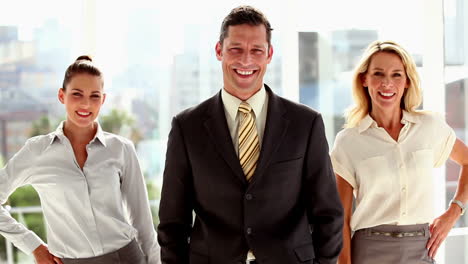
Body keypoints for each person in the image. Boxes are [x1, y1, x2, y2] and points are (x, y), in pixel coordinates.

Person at [157, 5, 343, 264]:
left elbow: (328, 213)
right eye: (236, 49)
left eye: (256, 50)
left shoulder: (306, 123)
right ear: (219, 50)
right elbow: (172, 222)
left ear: (269, 54)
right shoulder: (186, 127)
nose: (246, 60)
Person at [0, 56, 160, 264]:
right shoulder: (37, 151)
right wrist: (34, 246)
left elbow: (144, 225)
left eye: (94, 96)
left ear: (103, 100)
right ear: (61, 95)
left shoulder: (121, 149)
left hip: (126, 257)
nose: (86, 104)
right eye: (77, 94)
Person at [331, 40, 468, 264]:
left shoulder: (429, 127)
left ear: (406, 82)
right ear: (364, 79)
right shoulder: (348, 141)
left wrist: (454, 212)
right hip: (369, 251)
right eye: (378, 73)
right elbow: (342, 218)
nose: (387, 83)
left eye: (396, 75)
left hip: (422, 249)